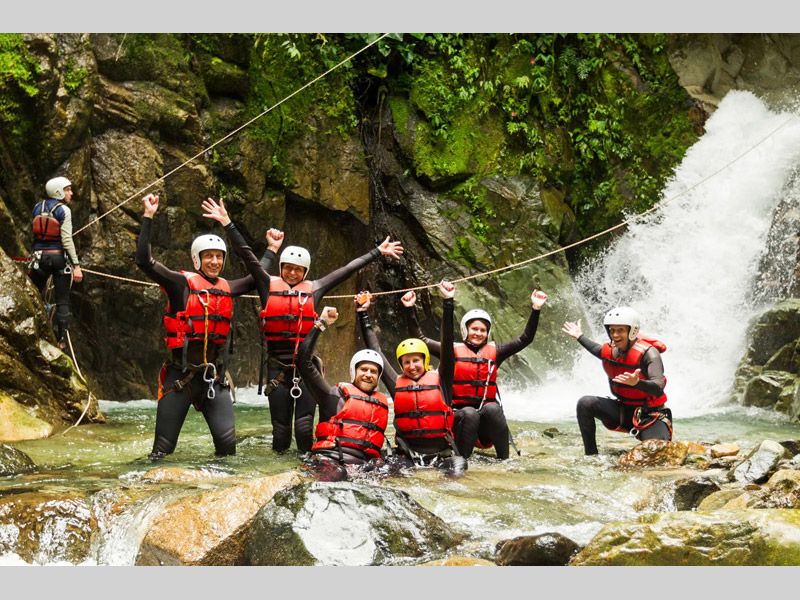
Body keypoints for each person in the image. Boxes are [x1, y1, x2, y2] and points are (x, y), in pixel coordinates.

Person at [201, 197, 403, 454]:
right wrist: (227, 222)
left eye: (298, 270)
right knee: (281, 429)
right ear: (281, 268)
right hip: (277, 369)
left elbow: (346, 269)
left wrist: (377, 252)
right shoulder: (266, 284)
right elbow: (248, 255)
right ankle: (280, 474)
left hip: (307, 369)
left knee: (305, 427)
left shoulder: (315, 289)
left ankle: (308, 470)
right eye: (288, 269)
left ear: (305, 272)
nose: (292, 274)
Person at [136, 194, 256, 459]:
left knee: (228, 451)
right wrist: (148, 216)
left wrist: (229, 225)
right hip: (179, 378)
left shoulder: (228, 288)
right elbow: (145, 262)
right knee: (161, 452)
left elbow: (258, 273)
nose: (214, 261)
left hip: (213, 379)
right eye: (208, 256)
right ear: (196, 259)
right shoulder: (179, 284)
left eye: (219, 257)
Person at [400, 288, 548, 459]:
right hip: (458, 420)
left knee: (493, 408)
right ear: (465, 330)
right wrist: (409, 308)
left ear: (487, 333)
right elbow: (421, 339)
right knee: (469, 412)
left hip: (483, 425)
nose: (478, 333)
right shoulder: (450, 351)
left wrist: (536, 309)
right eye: (474, 329)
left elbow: (525, 339)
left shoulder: (496, 351)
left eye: (482, 330)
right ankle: (462, 461)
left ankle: (504, 461)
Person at [357, 280, 466, 476]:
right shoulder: (396, 383)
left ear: (425, 360)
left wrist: (448, 302)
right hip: (407, 456)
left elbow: (447, 344)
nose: (412, 366)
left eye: (416, 360)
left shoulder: (442, 378)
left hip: (443, 457)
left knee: (456, 476)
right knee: (383, 475)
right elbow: (376, 352)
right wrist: (362, 313)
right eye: (406, 362)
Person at [295, 304, 389, 481]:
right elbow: (303, 361)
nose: (368, 375)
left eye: (373, 371)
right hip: (329, 462)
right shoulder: (332, 395)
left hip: (362, 467)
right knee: (338, 473)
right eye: (363, 369)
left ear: (378, 377)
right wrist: (321, 323)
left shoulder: (381, 403)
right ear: (354, 372)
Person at [562, 306, 672, 456]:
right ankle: (591, 456)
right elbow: (597, 350)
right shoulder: (612, 350)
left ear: (632, 331)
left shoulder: (649, 354)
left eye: (620, 330)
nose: (615, 335)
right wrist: (579, 336)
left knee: (656, 454)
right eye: (612, 330)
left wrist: (637, 383)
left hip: (650, 416)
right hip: (623, 411)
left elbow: (658, 386)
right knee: (585, 403)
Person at [29, 176, 84, 349]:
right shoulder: (63, 211)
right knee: (62, 301)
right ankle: (61, 341)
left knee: (34, 293)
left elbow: (36, 233)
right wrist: (76, 266)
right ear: (59, 191)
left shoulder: (38, 207)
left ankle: (35, 327)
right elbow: (66, 239)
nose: (71, 193)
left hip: (39, 258)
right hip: (58, 258)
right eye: (67, 190)